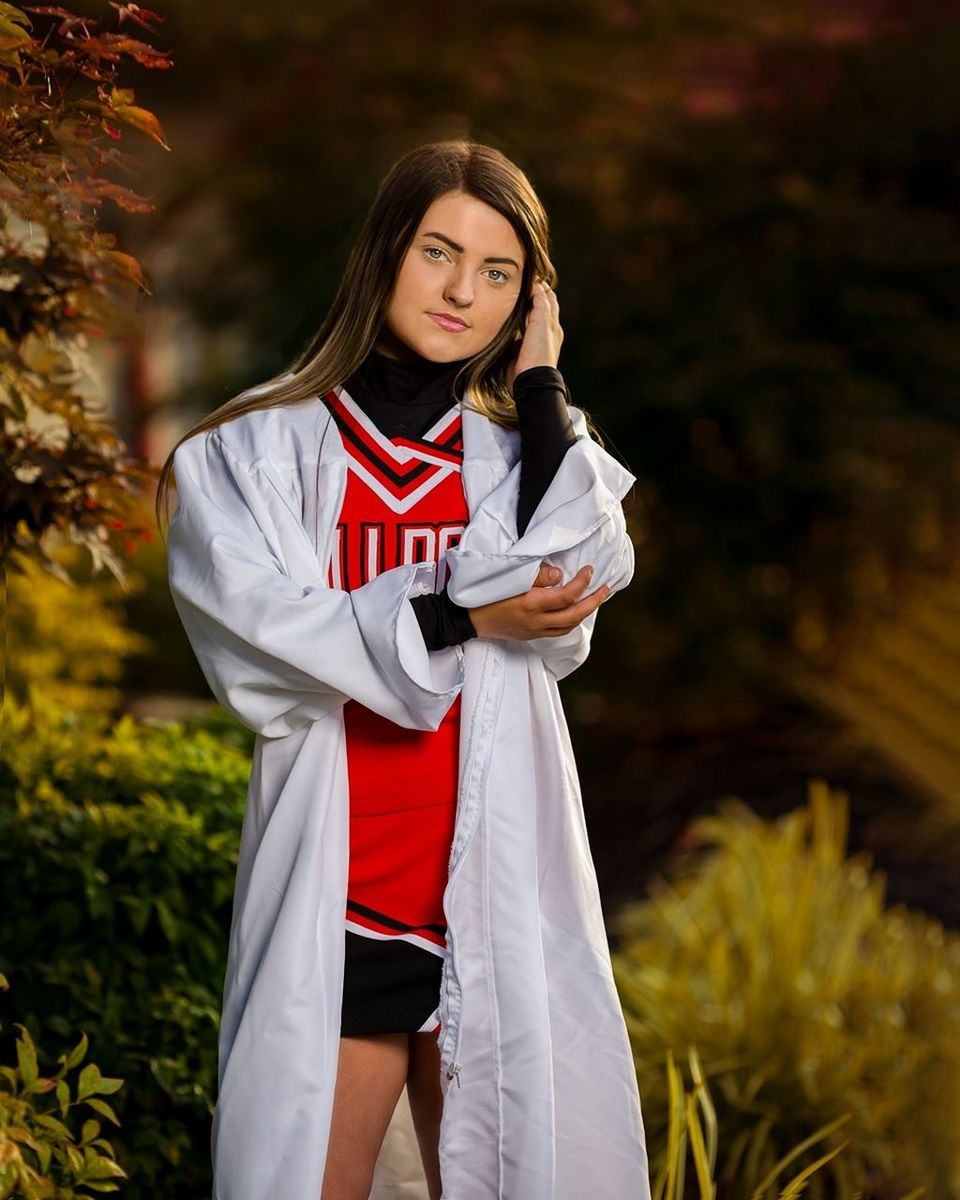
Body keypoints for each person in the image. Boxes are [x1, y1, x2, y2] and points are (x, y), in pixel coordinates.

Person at [158, 138, 650, 1200]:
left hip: (491, 890)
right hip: (348, 895)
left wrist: (547, 386)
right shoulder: (252, 455)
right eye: (439, 252)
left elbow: (579, 580)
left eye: (499, 272)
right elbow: (265, 648)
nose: (462, 291)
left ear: (529, 300)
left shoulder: (525, 460)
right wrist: (463, 609)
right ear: (386, 251)